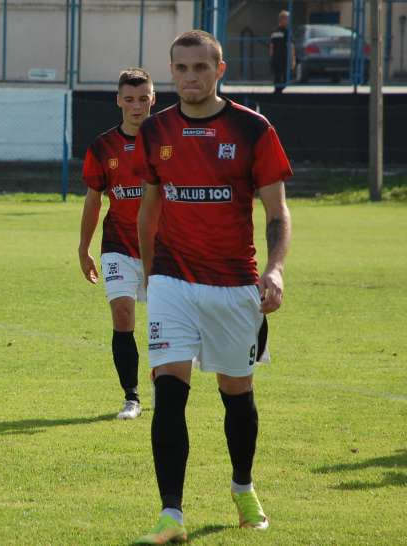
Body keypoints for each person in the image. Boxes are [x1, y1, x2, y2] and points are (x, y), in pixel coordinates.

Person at [132, 30, 292, 542]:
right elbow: (151, 202)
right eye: (181, 68)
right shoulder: (155, 130)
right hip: (172, 279)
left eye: (201, 67)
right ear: (171, 72)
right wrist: (148, 268)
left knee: (235, 393)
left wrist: (275, 268)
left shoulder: (253, 129)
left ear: (219, 69)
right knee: (168, 391)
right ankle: (170, 516)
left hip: (234, 284)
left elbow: (277, 212)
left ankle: (243, 486)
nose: (191, 77)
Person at [78, 68, 155, 420]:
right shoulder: (103, 146)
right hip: (118, 247)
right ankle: (132, 397)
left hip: (164, 248)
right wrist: (84, 247)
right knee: (123, 315)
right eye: (129, 99)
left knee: (165, 324)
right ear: (118, 101)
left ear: (152, 98)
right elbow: (94, 200)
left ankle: (165, 383)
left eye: (143, 98)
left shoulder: (169, 141)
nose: (136, 106)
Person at [270, 10, 294, 93]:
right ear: (282, 19)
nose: (288, 21)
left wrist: (272, 57)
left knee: (279, 77)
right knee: (281, 77)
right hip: (282, 58)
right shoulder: (286, 31)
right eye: (287, 19)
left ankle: (278, 91)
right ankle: (278, 92)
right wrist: (292, 59)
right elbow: (290, 46)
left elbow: (271, 46)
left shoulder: (274, 31)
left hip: (279, 57)